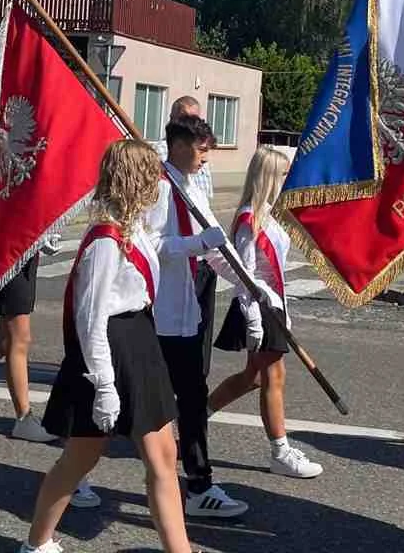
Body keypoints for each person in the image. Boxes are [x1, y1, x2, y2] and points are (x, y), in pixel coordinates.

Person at [21, 139, 192, 553]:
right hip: (111, 350)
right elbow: (90, 319)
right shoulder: (105, 239)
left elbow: (158, 247)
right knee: (80, 458)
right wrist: (104, 385)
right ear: (136, 180)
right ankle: (37, 543)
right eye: (152, 175)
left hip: (140, 342)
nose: (159, 183)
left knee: (163, 456)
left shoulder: (135, 229)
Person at [0, 255, 102, 508]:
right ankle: (23, 418)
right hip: (9, 256)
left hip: (22, 255)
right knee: (18, 339)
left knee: (6, 340)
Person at [148, 116, 248, 518]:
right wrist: (195, 243)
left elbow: (215, 247)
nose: (206, 157)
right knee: (129, 402)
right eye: (201, 148)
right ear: (177, 146)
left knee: (191, 401)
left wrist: (249, 283)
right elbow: (150, 245)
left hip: (186, 314)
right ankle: (75, 473)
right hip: (156, 315)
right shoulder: (158, 187)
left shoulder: (192, 187)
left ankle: (199, 486)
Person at [207, 146, 324, 479]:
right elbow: (244, 274)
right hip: (257, 307)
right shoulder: (250, 218)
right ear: (270, 176)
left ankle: (195, 419)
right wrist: (255, 321)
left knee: (254, 377)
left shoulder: (272, 214)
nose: (290, 178)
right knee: (274, 377)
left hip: (273, 304)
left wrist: (283, 308)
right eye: (285, 173)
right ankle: (280, 453)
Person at [154, 95, 214, 202]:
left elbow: (206, 196)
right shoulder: (157, 152)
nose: (192, 125)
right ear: (173, 118)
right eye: (186, 119)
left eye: (195, 119)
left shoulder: (201, 157)